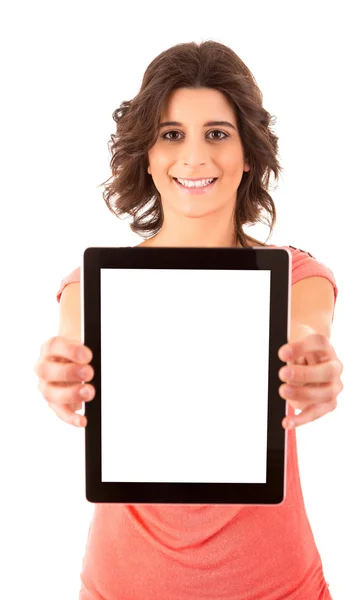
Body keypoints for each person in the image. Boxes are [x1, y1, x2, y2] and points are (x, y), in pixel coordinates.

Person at [34, 40, 344, 600]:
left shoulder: (299, 276)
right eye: (171, 134)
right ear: (147, 154)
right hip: (121, 588)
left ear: (248, 153)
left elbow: (306, 331)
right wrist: (62, 374)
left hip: (278, 590)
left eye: (217, 134)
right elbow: (70, 339)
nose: (194, 157)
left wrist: (311, 361)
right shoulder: (91, 285)